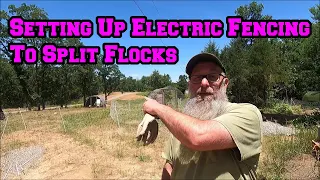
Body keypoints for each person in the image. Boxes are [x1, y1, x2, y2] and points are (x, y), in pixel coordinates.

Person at [141, 53, 263, 180]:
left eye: (212, 77)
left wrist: (158, 108)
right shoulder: (181, 124)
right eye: (197, 78)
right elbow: (170, 165)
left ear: (225, 83)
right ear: (189, 85)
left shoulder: (247, 113)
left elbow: (197, 137)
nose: (204, 83)